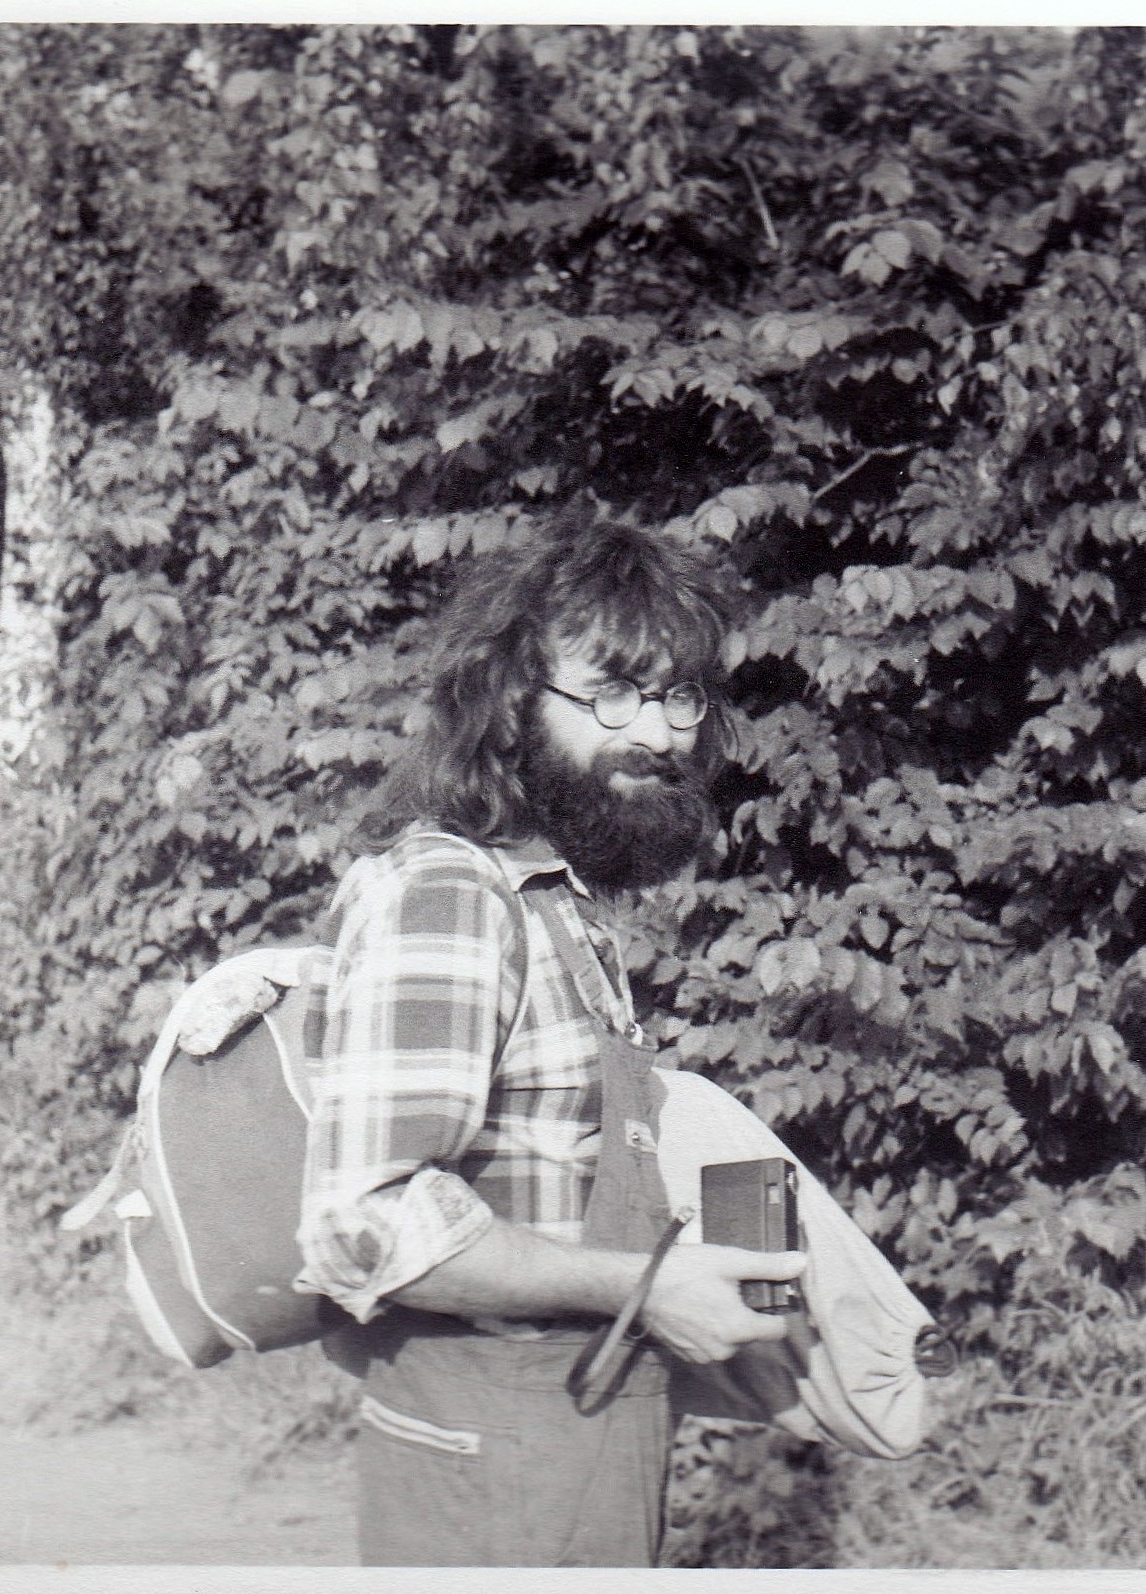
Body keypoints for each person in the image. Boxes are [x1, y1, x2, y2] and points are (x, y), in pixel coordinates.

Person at [293, 518, 805, 1567]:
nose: (657, 732)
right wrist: (644, 1288)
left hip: (579, 1432)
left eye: (678, 695)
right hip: (493, 1459)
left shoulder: (554, 901)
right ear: (510, 699)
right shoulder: (448, 894)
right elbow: (365, 1222)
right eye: (611, 691)